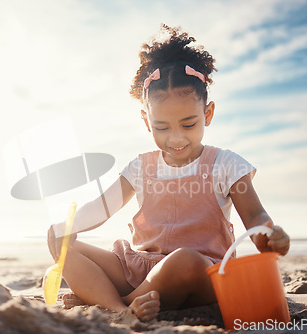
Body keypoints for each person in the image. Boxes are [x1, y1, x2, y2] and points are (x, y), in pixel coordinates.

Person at [47, 24, 290, 322]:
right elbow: (102, 207)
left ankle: (109, 300)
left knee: (183, 260)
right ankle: (123, 310)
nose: (176, 138)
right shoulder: (141, 167)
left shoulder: (225, 164)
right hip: (139, 269)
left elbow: (255, 218)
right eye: (162, 127)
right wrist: (65, 228)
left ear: (208, 114)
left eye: (188, 124)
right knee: (64, 247)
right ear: (147, 122)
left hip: (199, 273)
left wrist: (269, 237)